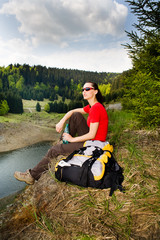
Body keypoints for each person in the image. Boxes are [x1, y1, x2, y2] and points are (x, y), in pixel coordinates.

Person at [14, 82, 109, 185]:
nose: (84, 92)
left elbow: (92, 135)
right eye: (83, 90)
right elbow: (72, 111)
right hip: (92, 140)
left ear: (95, 91)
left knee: (54, 150)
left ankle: (32, 176)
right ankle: (62, 143)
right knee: (75, 115)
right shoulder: (92, 107)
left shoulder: (96, 108)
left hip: (94, 144)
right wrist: (62, 121)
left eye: (87, 89)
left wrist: (72, 139)